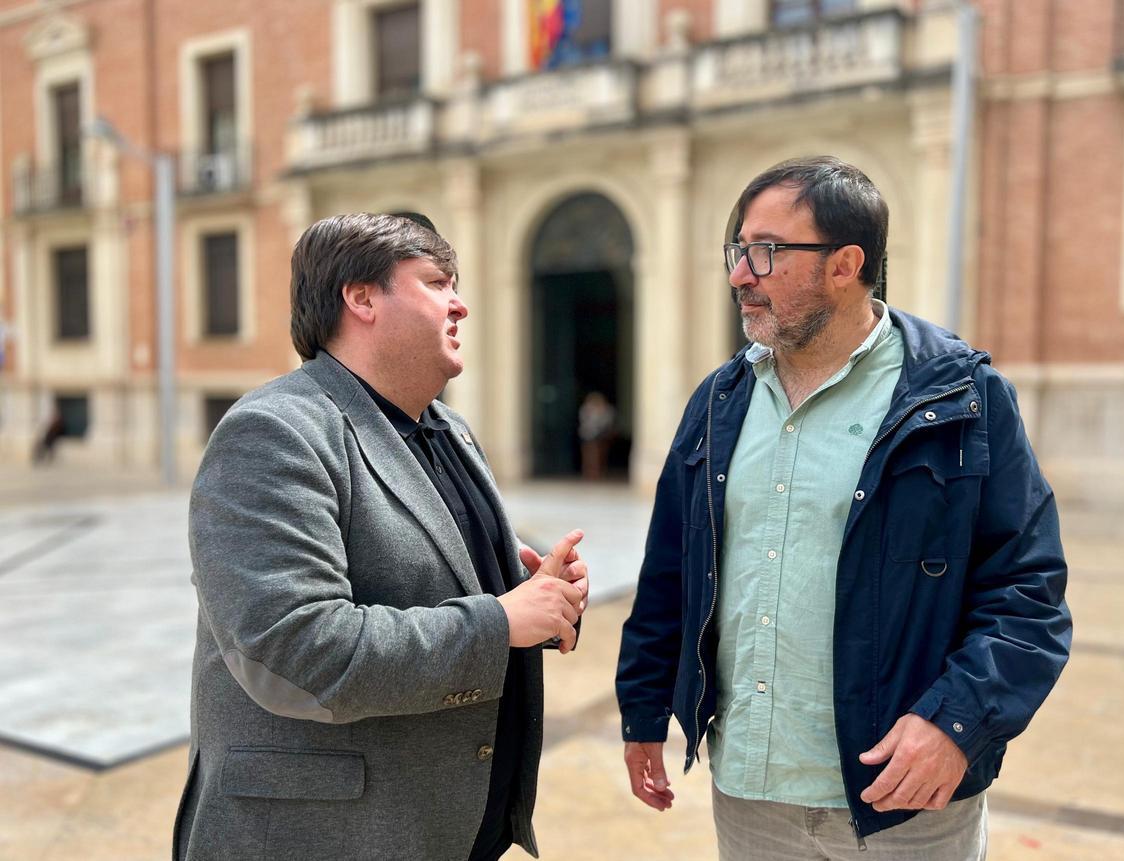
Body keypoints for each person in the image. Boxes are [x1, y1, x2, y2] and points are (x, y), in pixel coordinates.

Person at [615, 157, 1070, 859]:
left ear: (844, 264)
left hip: (904, 799)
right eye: (739, 250)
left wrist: (956, 724)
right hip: (750, 791)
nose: (741, 273)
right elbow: (672, 569)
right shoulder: (717, 402)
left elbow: (1027, 592)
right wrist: (642, 708)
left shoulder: (960, 398)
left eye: (765, 251)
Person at [175, 213, 589, 861]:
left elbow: (450, 587)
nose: (462, 303)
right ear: (361, 298)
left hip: (446, 828)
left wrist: (540, 598)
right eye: (436, 282)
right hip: (324, 837)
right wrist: (499, 620)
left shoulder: (450, 431)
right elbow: (297, 651)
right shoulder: (275, 431)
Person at [578, 390, 617, 480]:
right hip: (588, 436)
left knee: (600, 455)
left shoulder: (607, 410)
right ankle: (589, 472)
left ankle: (598, 472)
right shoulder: (586, 409)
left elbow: (607, 422)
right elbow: (585, 422)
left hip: (601, 436)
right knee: (589, 455)